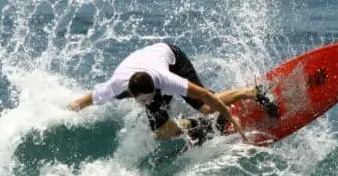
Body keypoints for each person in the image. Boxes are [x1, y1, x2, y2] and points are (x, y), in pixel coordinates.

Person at [68, 41, 278, 145]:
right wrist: (70, 109)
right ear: (131, 93)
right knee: (161, 133)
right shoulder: (116, 87)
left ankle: (252, 92)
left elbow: (206, 96)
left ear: (157, 89)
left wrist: (230, 115)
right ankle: (201, 127)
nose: (146, 103)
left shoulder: (167, 80)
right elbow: (87, 99)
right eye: (143, 101)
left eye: (150, 98)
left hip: (172, 59)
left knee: (205, 108)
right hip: (141, 70)